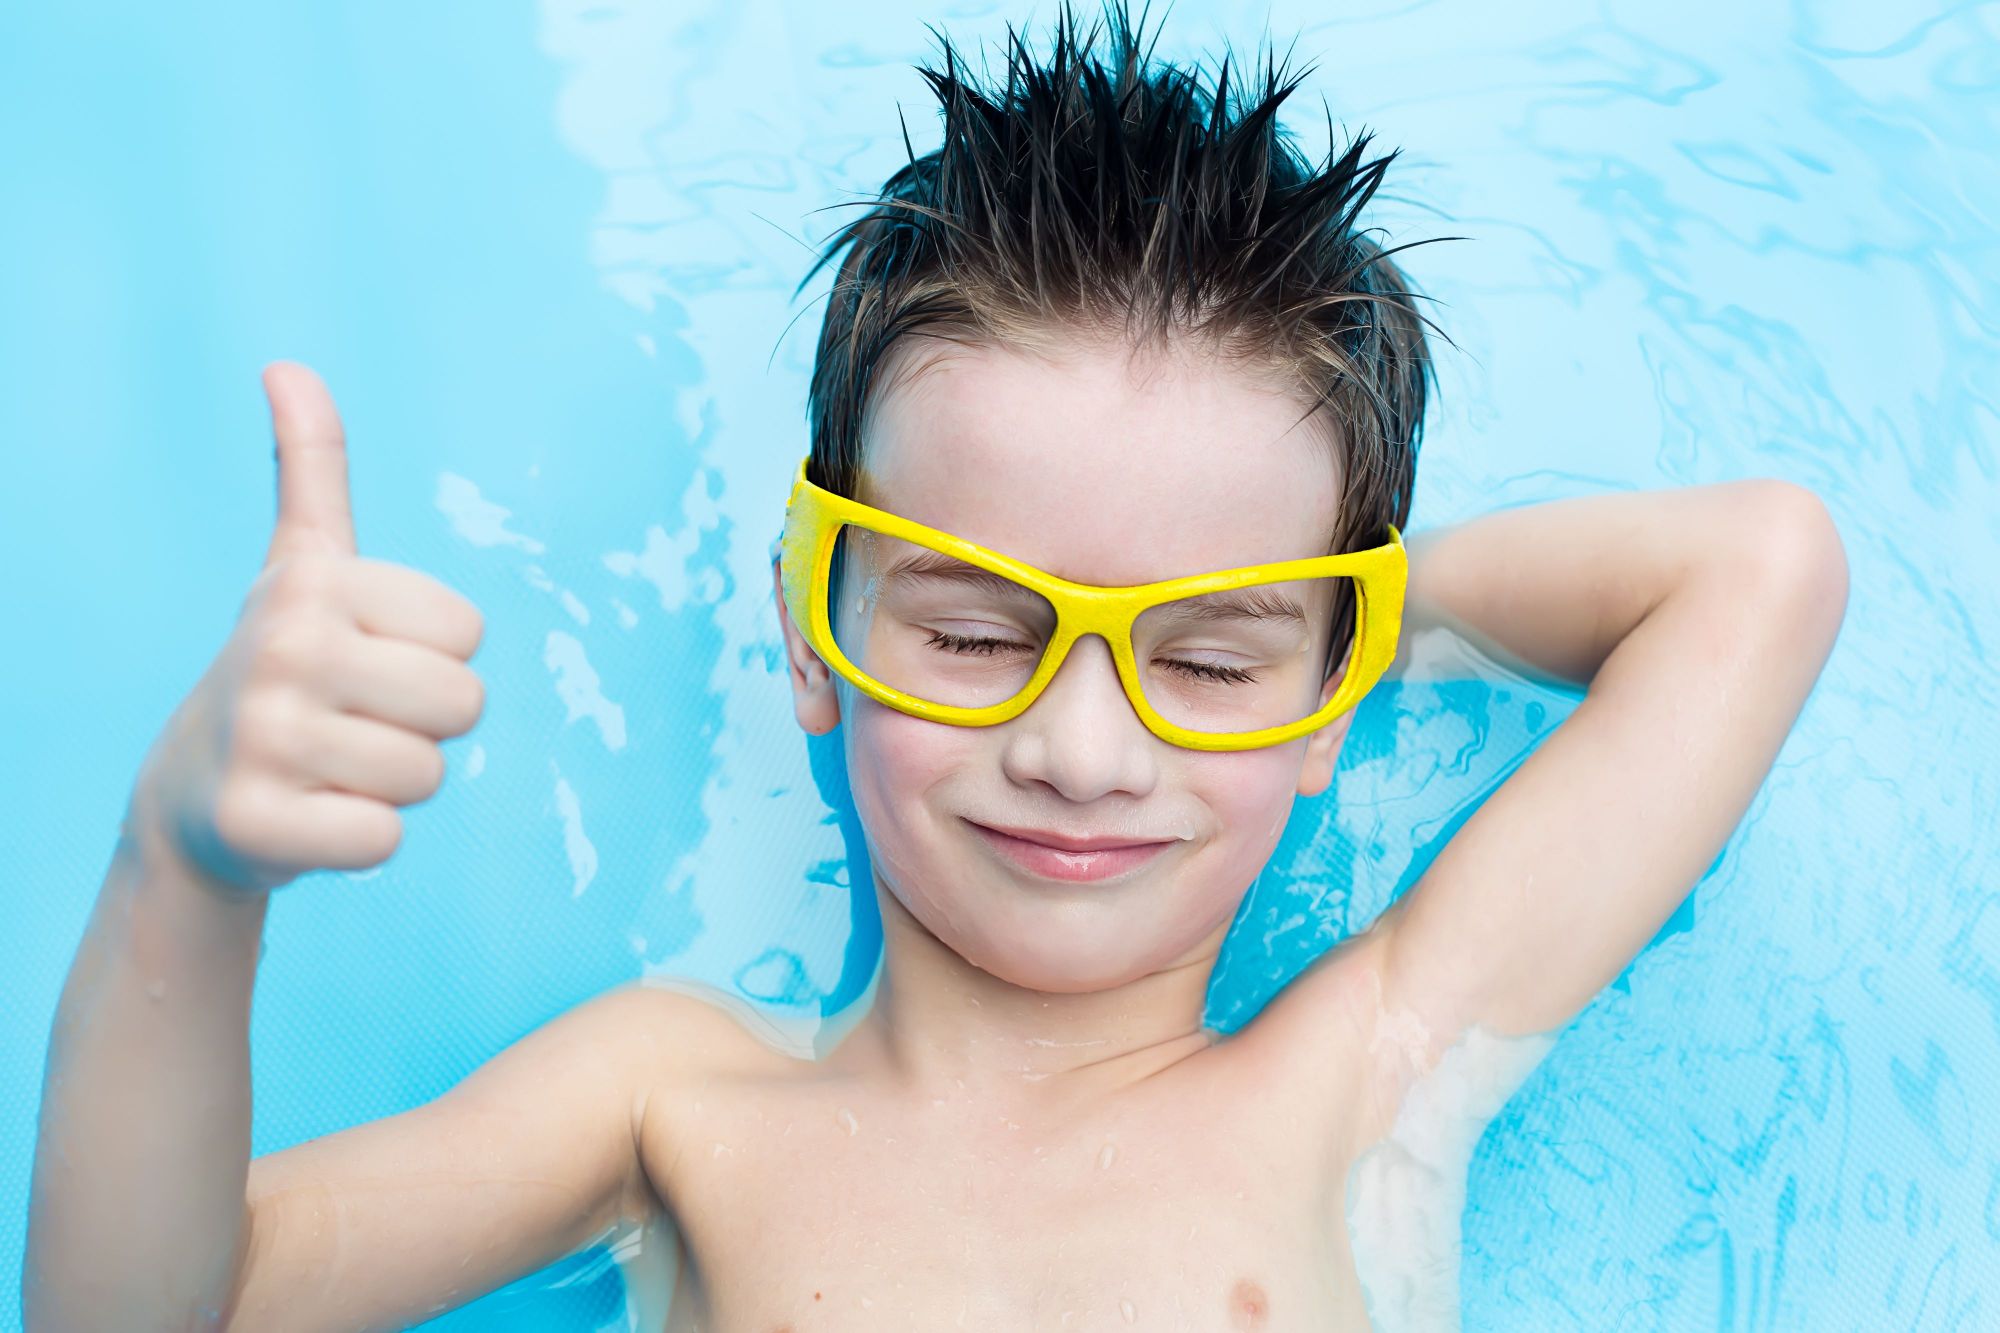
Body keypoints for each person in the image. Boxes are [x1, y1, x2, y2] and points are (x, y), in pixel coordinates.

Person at [21, 3, 1849, 1329]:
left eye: (1207, 665)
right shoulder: (675, 1106)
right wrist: (182, 870)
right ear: (816, 632)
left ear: (1328, 684)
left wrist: (1325, 618)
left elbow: (1758, 572)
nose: (1082, 747)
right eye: (975, 631)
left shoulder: (1367, 1075)